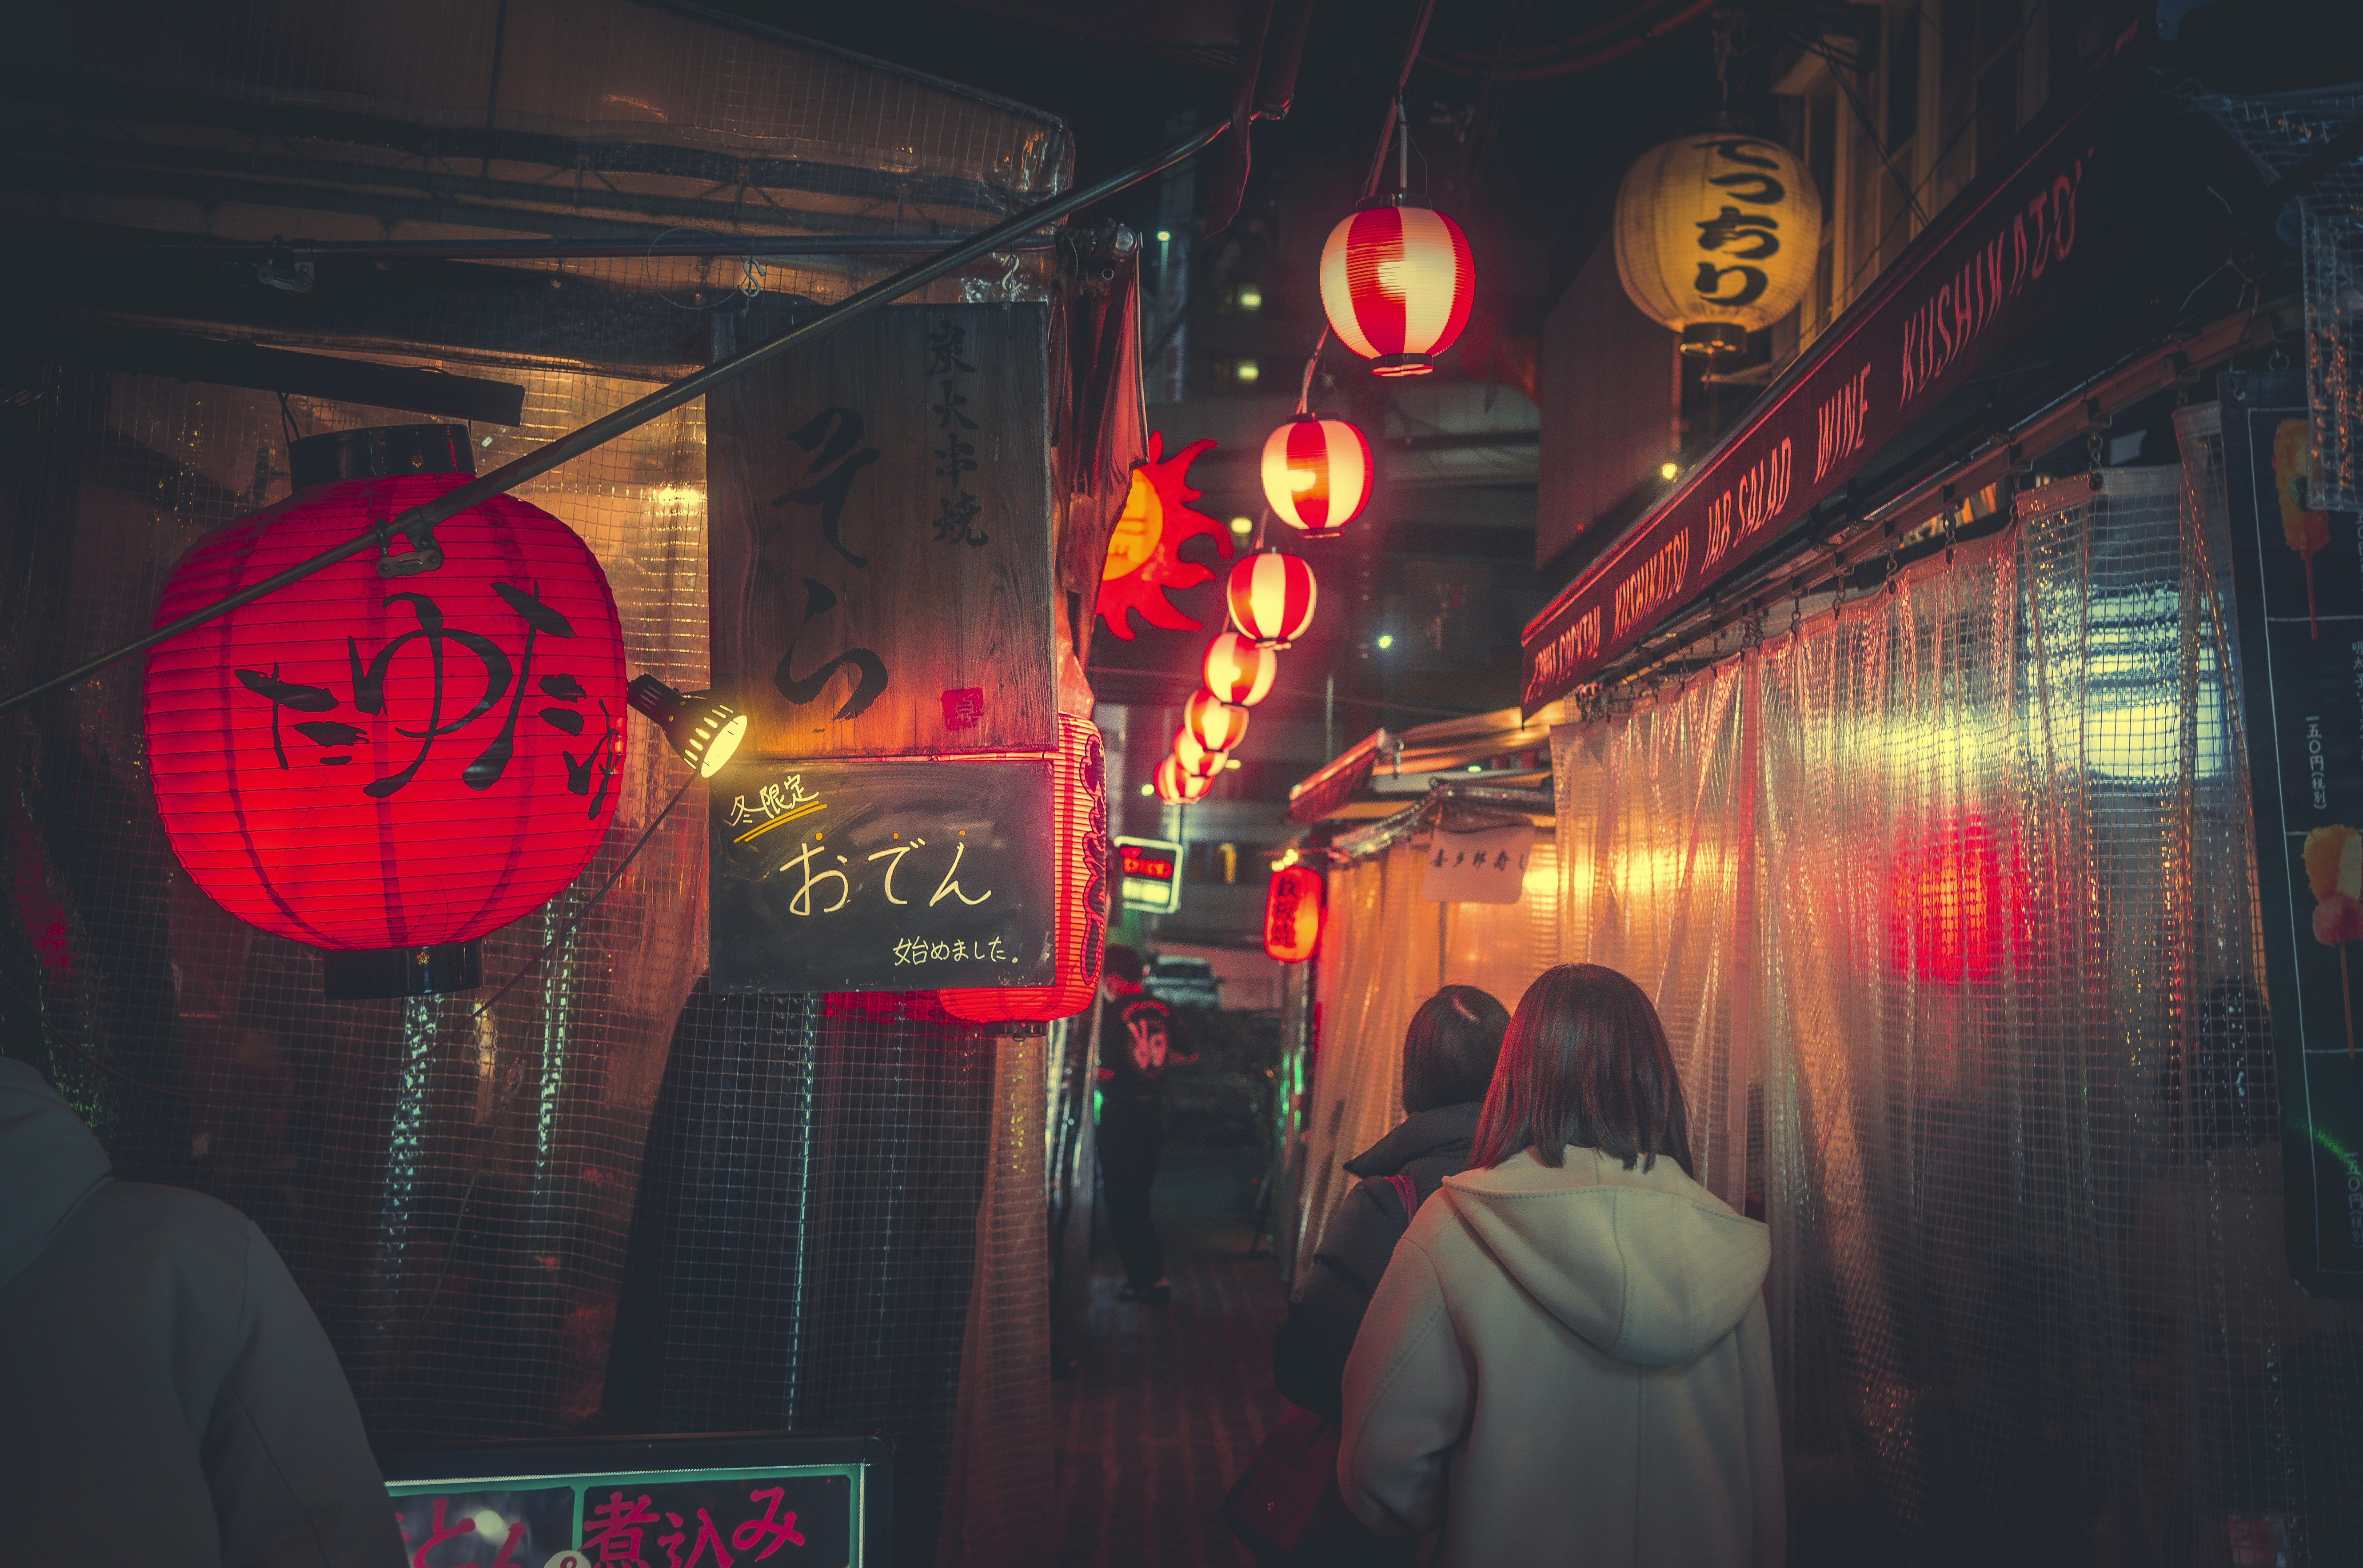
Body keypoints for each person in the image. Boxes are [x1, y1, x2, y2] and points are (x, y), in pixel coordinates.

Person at [1338, 964, 1784, 1567]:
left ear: (1516, 1075)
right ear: (1656, 1079)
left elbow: (1379, 1465)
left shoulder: (1454, 1228)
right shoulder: (1721, 1244)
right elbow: (1761, 1486)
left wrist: (1466, 1510)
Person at [0, 1057, 408, 1566]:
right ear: (221, 1100)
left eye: (280, 1104)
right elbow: (333, 1539)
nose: (273, 1117)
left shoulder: (218, 1244)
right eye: (261, 1101)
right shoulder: (204, 1255)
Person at [1273, 985, 1509, 1419]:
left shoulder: (1387, 1203)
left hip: (1409, 1463)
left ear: (1412, 1077)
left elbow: (1313, 1364)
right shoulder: (1550, 1180)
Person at [1096, 943, 1193, 1303]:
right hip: (1154, 1113)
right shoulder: (1164, 1007)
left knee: (1122, 1200)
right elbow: (1189, 1052)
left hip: (1121, 1114)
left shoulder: (1112, 1013)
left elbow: (1106, 1070)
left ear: (1116, 980)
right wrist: (1155, 1067)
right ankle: (1154, 1277)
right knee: (1140, 1197)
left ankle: (1146, 1280)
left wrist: (1093, 1077)